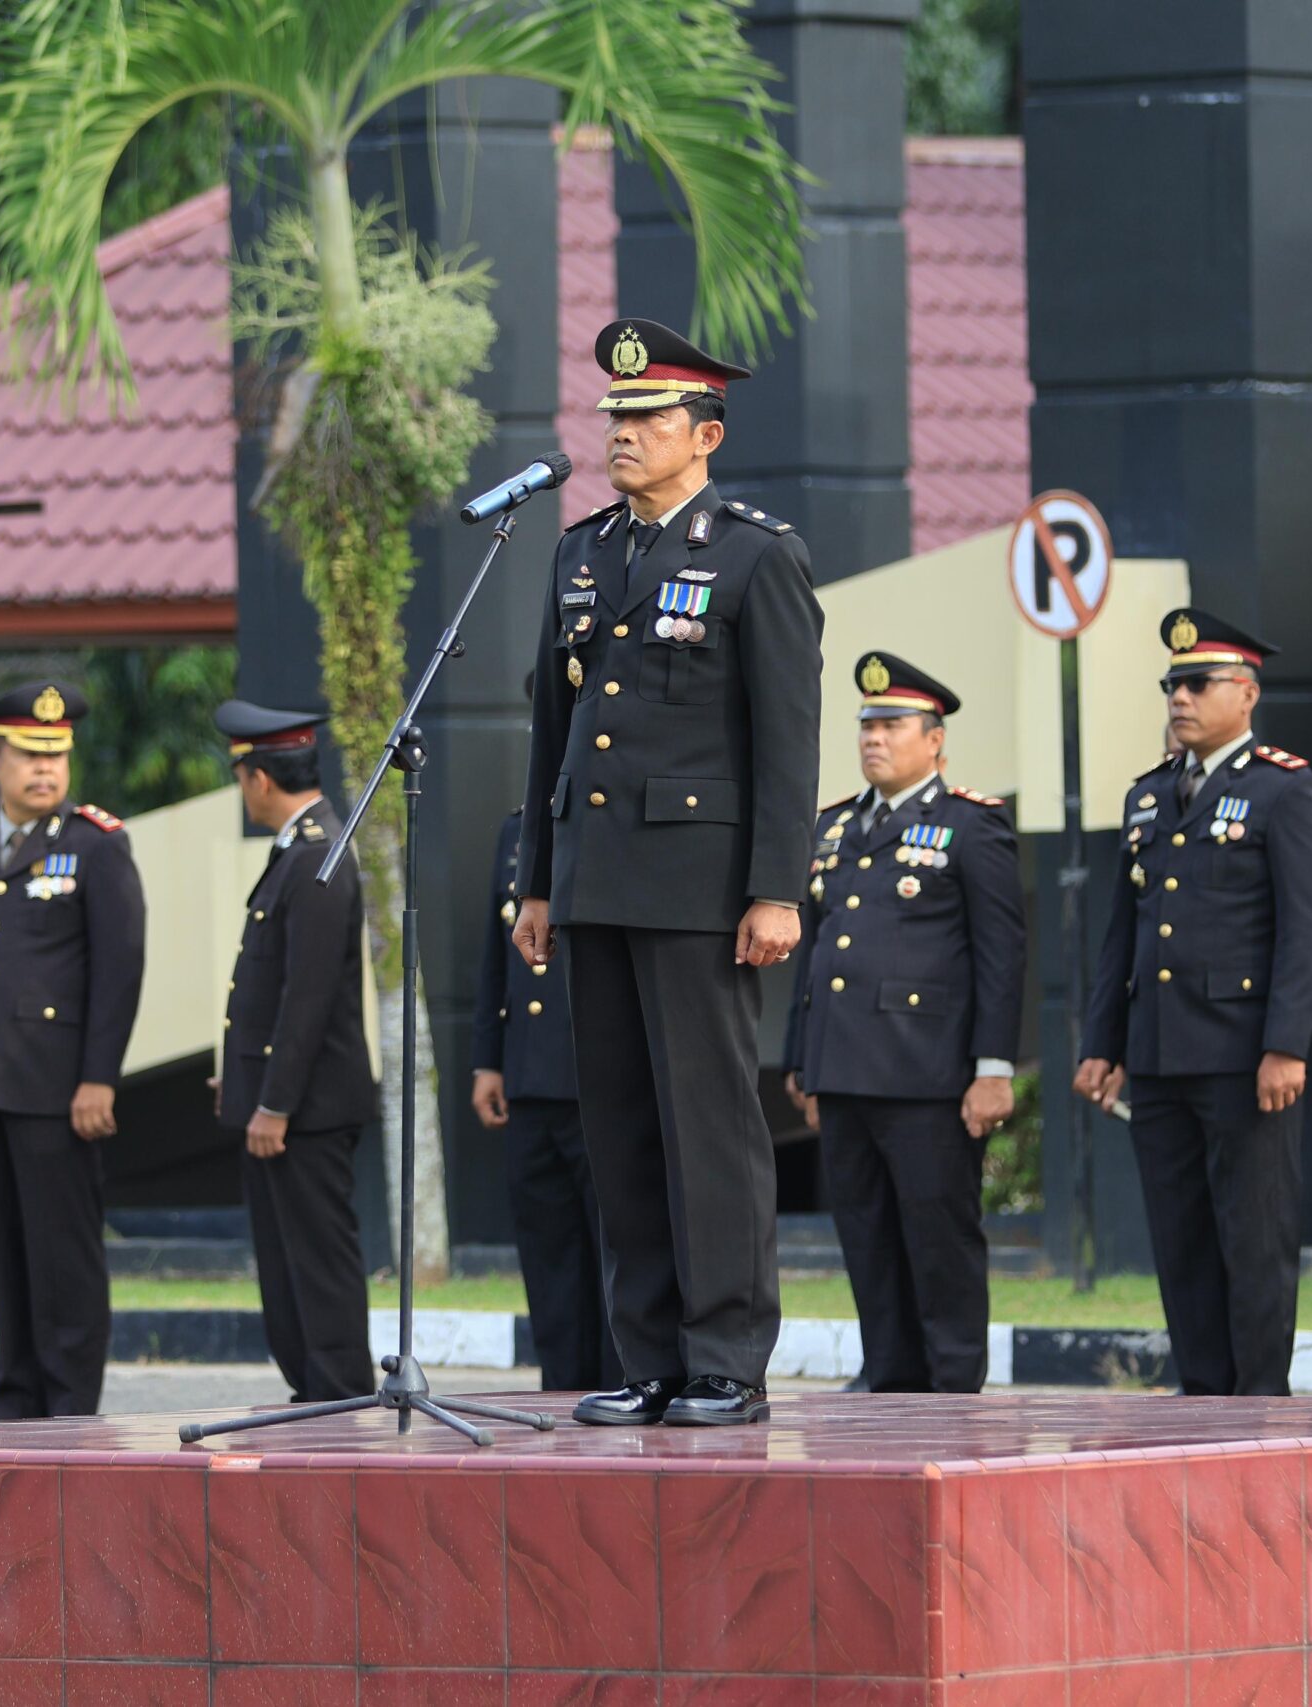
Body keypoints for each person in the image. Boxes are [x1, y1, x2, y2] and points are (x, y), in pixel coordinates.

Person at [510, 316, 824, 1427]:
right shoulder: (580, 552)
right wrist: (538, 880)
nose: (625, 435)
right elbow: (554, 729)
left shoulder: (752, 554)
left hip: (699, 889)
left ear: (707, 435)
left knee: (709, 1126)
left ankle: (725, 1357)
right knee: (622, 1127)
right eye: (617, 418)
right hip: (595, 881)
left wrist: (777, 887)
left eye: (648, 418)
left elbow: (787, 737)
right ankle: (646, 1354)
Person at [1072, 609, 1312, 1396]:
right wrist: (1102, 1042)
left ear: (1246, 693)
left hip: (1242, 1054)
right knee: (1180, 1238)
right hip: (1158, 1054)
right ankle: (1201, 1396)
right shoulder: (1150, 796)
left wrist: (1286, 1044)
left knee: (1252, 1238)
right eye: (1170, 685)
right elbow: (1122, 933)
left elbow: (1306, 927)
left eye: (1196, 683)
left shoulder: (1284, 788)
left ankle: (1256, 1401)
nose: (1179, 698)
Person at [783, 652, 1026, 1393]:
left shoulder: (968, 824)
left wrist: (992, 1068)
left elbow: (1000, 955)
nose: (874, 739)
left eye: (891, 725)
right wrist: (802, 1058)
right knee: (865, 1228)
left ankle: (952, 1375)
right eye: (867, 726)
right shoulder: (835, 827)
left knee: (938, 1231)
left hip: (927, 1072)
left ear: (935, 740)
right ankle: (886, 1367)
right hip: (845, 1065)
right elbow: (817, 949)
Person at [0, 682, 146, 1419]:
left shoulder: (94, 844)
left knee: (62, 1255)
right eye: (28, 756)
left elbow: (119, 974)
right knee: (2, 1252)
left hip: (56, 1089)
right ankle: (15, 1401)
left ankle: (71, 1404)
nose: (45, 770)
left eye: (56, 756)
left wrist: (99, 1079)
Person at [213, 699, 378, 1404]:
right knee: (286, 1264)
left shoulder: (317, 856)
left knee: (317, 1260)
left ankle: (337, 1392)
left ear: (256, 778)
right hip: (281, 1105)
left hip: (304, 1110)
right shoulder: (301, 849)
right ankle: (313, 1389)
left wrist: (274, 1102)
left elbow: (304, 1001)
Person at [470, 678, 622, 1391]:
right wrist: (487, 1060)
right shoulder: (516, 827)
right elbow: (494, 954)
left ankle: (625, 1381)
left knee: (615, 1247)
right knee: (548, 1247)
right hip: (530, 1076)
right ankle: (561, 1386)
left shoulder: (621, 821)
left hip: (600, 1072)